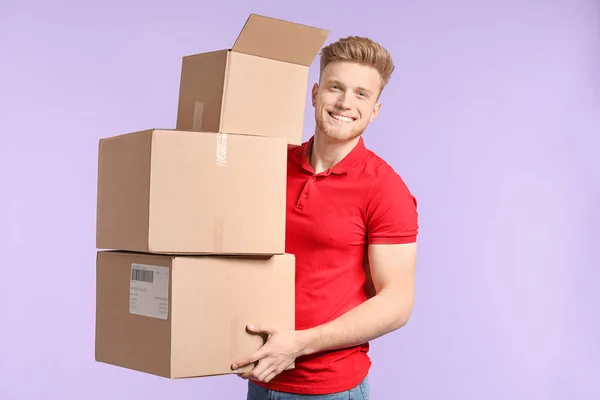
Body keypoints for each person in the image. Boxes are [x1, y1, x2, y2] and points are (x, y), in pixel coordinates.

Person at [231, 35, 419, 399]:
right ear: (315, 93)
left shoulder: (385, 190)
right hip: (261, 375)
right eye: (336, 88)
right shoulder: (271, 166)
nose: (345, 103)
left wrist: (300, 344)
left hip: (328, 388)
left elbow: (397, 302)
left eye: (361, 94)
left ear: (375, 109)